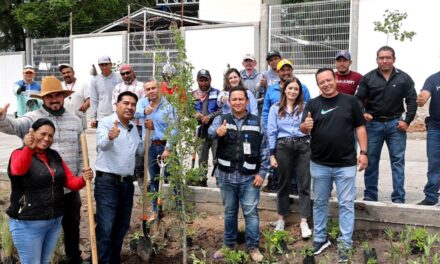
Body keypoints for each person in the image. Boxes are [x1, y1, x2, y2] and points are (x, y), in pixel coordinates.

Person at [0, 76, 86, 264]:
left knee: (72, 228)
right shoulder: (32, 118)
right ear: (43, 99)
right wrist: (1, 117)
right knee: (40, 236)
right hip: (39, 190)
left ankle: (72, 259)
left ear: (64, 96)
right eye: (50, 97)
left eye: (58, 95)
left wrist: (81, 178)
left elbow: (81, 151)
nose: (54, 100)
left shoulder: (75, 120)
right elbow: (11, 127)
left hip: (68, 186)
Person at [300, 68, 367, 262]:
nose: (326, 84)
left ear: (335, 79)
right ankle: (320, 239)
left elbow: (360, 127)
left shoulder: (351, 102)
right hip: (319, 163)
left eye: (329, 80)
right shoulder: (312, 104)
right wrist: (306, 126)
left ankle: (345, 244)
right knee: (320, 203)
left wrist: (363, 153)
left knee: (346, 204)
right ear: (318, 84)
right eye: (321, 82)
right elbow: (302, 127)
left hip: (345, 164)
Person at [7, 118, 93, 264]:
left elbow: (71, 182)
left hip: (53, 221)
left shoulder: (54, 156)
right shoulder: (19, 153)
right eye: (43, 134)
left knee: (45, 261)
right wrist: (28, 148)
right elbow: (18, 170)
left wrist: (84, 179)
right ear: (32, 133)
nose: (47, 139)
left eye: (50, 136)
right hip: (28, 222)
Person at [209, 86, 269, 263]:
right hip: (226, 176)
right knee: (229, 212)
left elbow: (264, 150)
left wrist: (262, 173)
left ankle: (253, 247)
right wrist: (216, 133)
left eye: (240, 99)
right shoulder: (221, 119)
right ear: (229, 101)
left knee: (251, 213)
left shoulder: (257, 122)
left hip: (250, 178)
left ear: (247, 101)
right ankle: (228, 245)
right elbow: (207, 134)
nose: (237, 102)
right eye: (234, 99)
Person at [356, 46, 417, 203]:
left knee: (397, 161)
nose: (384, 61)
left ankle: (398, 197)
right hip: (374, 125)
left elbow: (412, 100)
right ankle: (370, 195)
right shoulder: (368, 78)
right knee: (371, 160)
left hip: (396, 125)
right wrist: (363, 112)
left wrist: (407, 120)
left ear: (394, 59)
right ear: (377, 60)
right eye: (381, 58)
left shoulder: (404, 78)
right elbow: (358, 99)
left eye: (388, 58)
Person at [95, 91, 143, 263]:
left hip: (127, 184)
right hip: (107, 183)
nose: (129, 107)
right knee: (106, 227)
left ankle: (113, 260)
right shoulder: (107, 123)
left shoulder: (133, 128)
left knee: (121, 227)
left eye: (133, 104)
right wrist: (110, 137)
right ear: (117, 104)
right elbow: (102, 145)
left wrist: (151, 133)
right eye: (126, 103)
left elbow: (139, 151)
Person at [267, 77, 312, 238]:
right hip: (283, 146)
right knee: (283, 183)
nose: (293, 91)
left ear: (299, 92)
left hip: (303, 146)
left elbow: (311, 128)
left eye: (296, 89)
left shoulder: (306, 107)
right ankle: (281, 219)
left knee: (304, 183)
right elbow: (271, 132)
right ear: (284, 90)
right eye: (290, 88)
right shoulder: (275, 108)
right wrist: (271, 155)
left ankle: (304, 221)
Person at [261, 59, 311, 194]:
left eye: (289, 69)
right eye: (283, 69)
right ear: (277, 72)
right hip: (279, 137)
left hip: (299, 138)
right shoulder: (271, 90)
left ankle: (295, 193)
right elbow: (266, 111)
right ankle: (280, 195)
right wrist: (268, 129)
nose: (286, 72)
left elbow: (309, 111)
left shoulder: (303, 88)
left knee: (298, 171)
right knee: (280, 169)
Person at [135, 79, 176, 220]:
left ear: (158, 88)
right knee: (153, 179)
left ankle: (178, 209)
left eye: (153, 88)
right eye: (148, 89)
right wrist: (142, 112)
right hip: (150, 145)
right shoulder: (142, 103)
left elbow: (174, 129)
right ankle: (156, 209)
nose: (151, 91)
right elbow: (134, 113)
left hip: (165, 145)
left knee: (172, 177)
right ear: (145, 91)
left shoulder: (168, 106)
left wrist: (168, 149)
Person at [416, 71, 440, 206]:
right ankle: (431, 197)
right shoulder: (433, 78)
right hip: (436, 127)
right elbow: (425, 93)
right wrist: (422, 99)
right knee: (434, 164)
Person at [193, 69, 221, 186]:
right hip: (200, 131)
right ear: (197, 81)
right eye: (201, 80)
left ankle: (220, 180)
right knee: (202, 158)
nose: (203, 83)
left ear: (210, 80)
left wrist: (210, 116)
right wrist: (195, 114)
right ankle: (202, 179)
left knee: (217, 156)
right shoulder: (193, 95)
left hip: (215, 131)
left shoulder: (218, 93)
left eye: (206, 80)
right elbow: (188, 111)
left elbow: (222, 109)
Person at [89, 55, 121, 128]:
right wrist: (93, 117)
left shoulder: (118, 78)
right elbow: (94, 100)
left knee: (117, 137)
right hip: (101, 116)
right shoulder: (95, 80)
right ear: (99, 66)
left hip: (116, 115)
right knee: (102, 138)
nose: (104, 67)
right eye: (101, 65)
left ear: (111, 64)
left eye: (106, 64)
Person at [58, 63, 90, 129]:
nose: (66, 75)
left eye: (68, 72)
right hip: (63, 120)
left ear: (73, 72)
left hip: (79, 119)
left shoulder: (83, 84)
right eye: (63, 73)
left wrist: (86, 104)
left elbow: (89, 99)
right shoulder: (60, 86)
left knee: (80, 139)